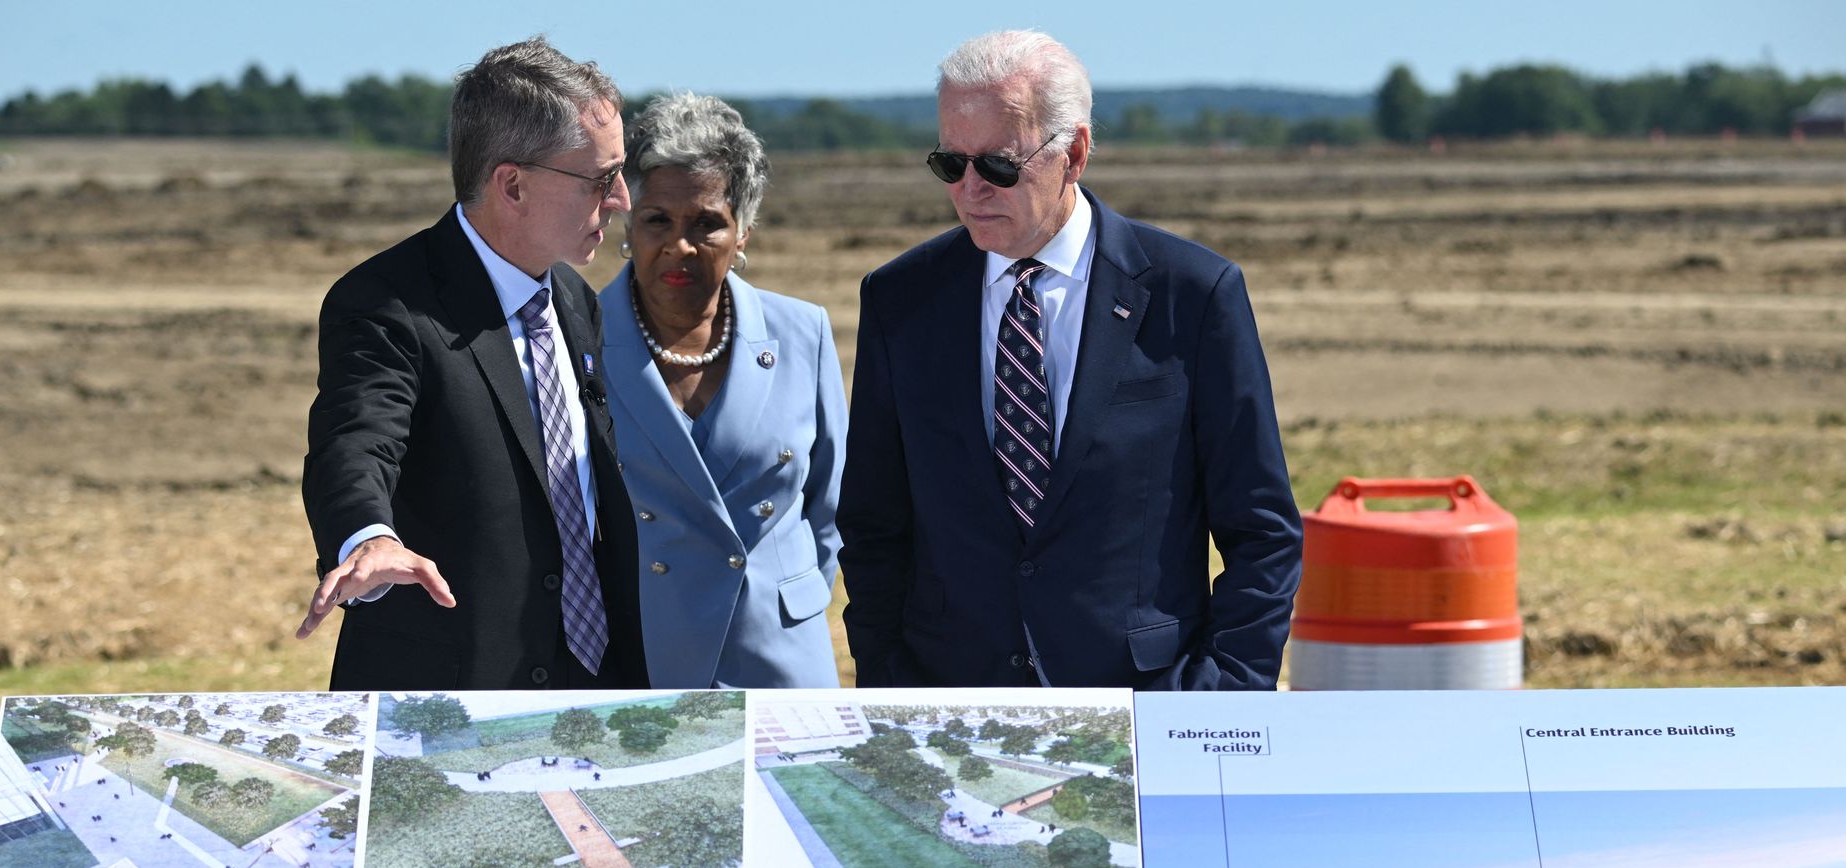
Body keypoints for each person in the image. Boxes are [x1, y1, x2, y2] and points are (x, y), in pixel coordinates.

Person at [837, 30, 1302, 689]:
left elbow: (1262, 531)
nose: (970, 189)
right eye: (950, 164)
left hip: (1145, 703)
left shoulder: (1192, 296)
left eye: (998, 165)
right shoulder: (899, 299)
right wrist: (890, 682)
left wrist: (1223, 691)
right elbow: (873, 524)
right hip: (955, 709)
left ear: (1075, 152)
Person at [297, 38, 649, 690]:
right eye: (601, 179)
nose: (623, 199)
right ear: (512, 185)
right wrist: (368, 538)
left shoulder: (573, 298)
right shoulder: (386, 304)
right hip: (450, 708)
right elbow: (355, 442)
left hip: (596, 692)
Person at [599, 93, 845, 688]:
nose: (679, 247)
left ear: (743, 234)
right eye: (658, 219)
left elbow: (831, 508)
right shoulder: (577, 336)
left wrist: (789, 593)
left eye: (707, 223)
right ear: (629, 222)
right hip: (639, 657)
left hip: (780, 656)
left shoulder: (802, 332)